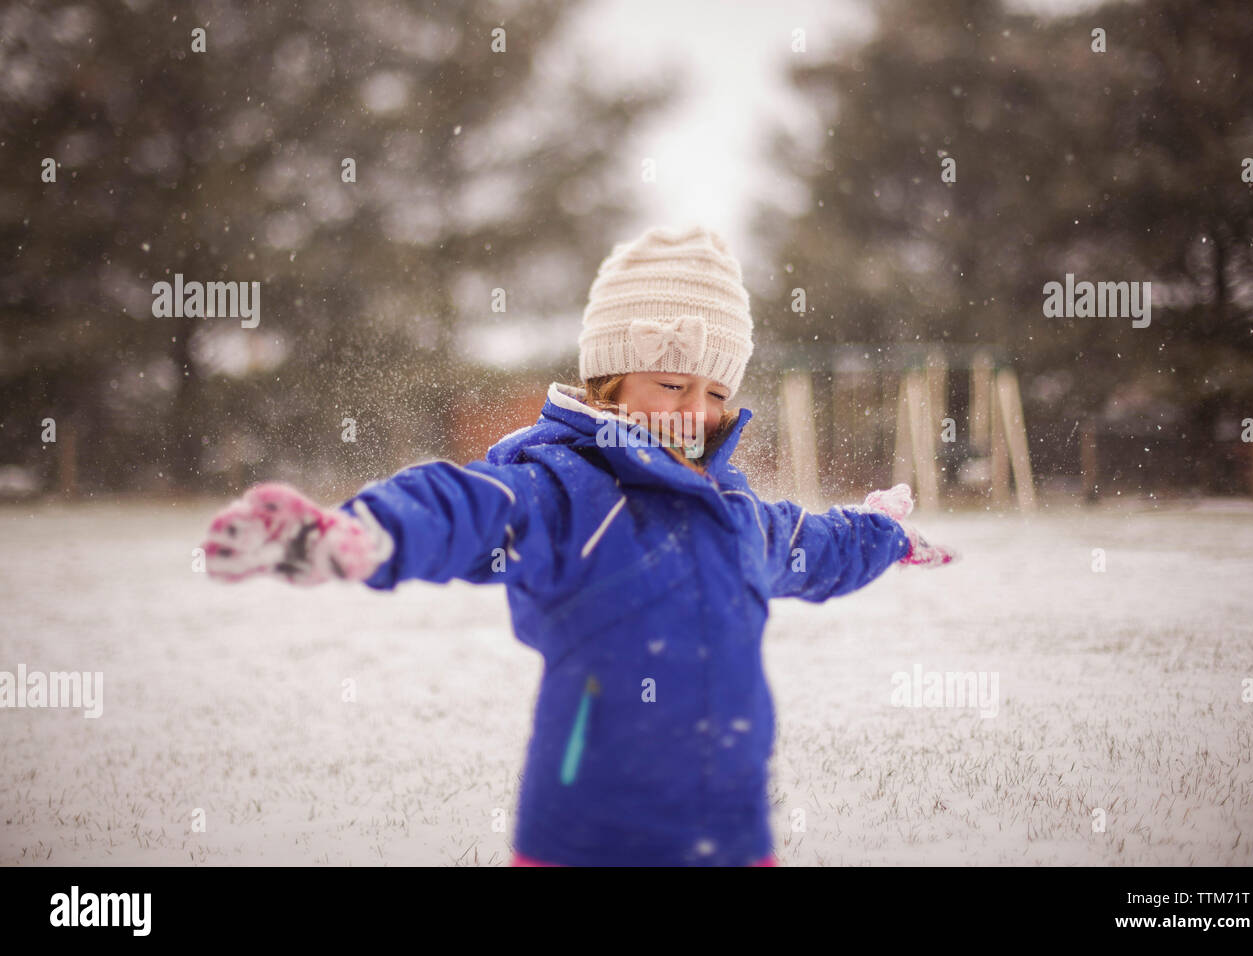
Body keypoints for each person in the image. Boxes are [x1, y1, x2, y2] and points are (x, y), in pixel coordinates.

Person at [200, 223, 959, 866]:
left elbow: (814, 547)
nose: (697, 411)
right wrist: (363, 531)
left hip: (732, 829)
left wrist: (883, 534)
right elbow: (465, 506)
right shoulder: (563, 490)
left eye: (717, 392)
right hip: (588, 833)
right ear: (608, 382)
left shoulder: (736, 512)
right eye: (671, 384)